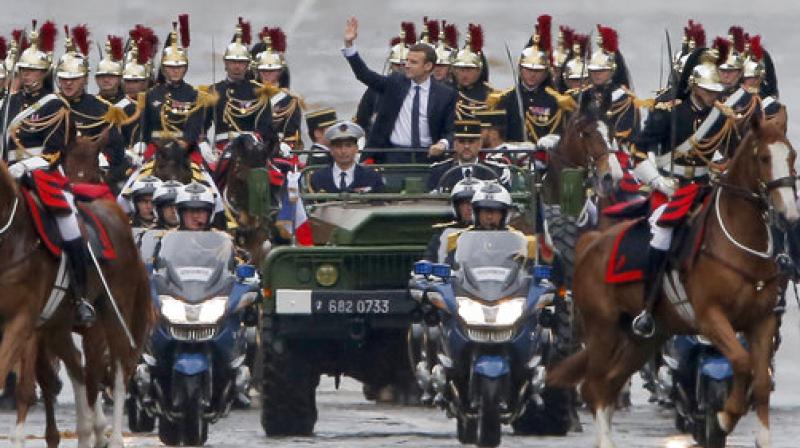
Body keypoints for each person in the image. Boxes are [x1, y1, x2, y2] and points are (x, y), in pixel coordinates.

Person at [629, 49, 736, 337]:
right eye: (707, 90)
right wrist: (658, 181)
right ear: (694, 87)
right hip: (671, 190)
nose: (712, 96)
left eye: (716, 91)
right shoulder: (669, 112)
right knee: (661, 234)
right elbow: (637, 152)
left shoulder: (722, 118)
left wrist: (724, 171)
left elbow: (734, 155)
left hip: (705, 189)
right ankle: (648, 306)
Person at [3, 23, 95, 325]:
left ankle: (80, 296)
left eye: (33, 71)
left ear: (44, 74)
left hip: (41, 174)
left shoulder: (56, 105)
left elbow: (55, 151)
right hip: (5, 174)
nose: (27, 75)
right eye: (24, 70)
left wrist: (24, 166)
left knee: (69, 224)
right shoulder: (8, 104)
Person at [342, 16, 456, 164]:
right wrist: (349, 45)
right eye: (407, 61)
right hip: (394, 155)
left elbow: (451, 130)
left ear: (428, 66)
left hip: (429, 157)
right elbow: (365, 75)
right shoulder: (395, 83)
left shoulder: (445, 94)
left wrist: (443, 144)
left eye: (413, 62)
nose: (407, 65)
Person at [55, 26, 127, 187]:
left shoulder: (103, 109)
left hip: (93, 173)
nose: (68, 83)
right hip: (56, 172)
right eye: (64, 78)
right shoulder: (50, 105)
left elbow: (116, 150)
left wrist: (103, 159)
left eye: (74, 78)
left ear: (85, 79)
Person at [492, 15, 576, 144]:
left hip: (543, 153)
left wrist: (553, 139)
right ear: (520, 69)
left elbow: (562, 132)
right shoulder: (506, 98)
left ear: (545, 73)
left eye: (537, 71)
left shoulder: (556, 100)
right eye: (528, 70)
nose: (532, 75)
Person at [142, 15, 211, 163]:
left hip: (185, 148)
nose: (175, 71)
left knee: (207, 174)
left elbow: (194, 126)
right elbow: (145, 127)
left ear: (185, 68)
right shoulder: (151, 94)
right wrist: (142, 144)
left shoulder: (194, 95)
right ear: (163, 68)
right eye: (171, 67)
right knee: (134, 174)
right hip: (156, 147)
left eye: (179, 67)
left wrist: (184, 143)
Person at [207, 19, 274, 157]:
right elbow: (201, 125)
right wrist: (203, 144)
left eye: (241, 62)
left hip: (250, 150)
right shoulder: (214, 91)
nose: (237, 66)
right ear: (225, 63)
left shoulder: (259, 92)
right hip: (221, 150)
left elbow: (265, 127)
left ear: (248, 64)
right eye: (233, 62)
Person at [579, 24, 642, 147]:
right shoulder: (585, 94)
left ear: (612, 71)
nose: (597, 75)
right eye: (594, 71)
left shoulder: (624, 99)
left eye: (602, 71)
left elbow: (625, 132)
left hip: (616, 147)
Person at [354, 24, 412, 137]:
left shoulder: (418, 88)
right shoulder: (375, 89)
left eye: (404, 65)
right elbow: (362, 118)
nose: (401, 68)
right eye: (397, 65)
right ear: (391, 65)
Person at [252, 26, 303, 149]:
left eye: (271, 71)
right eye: (264, 71)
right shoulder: (249, 96)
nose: (267, 74)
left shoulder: (290, 102)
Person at [427, 120, 510, 191]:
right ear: (455, 144)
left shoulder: (496, 172)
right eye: (462, 141)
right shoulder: (439, 172)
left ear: (480, 144)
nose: (466, 146)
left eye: (471, 141)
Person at [308, 121, 384, 193]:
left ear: (356, 148)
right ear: (331, 150)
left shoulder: (372, 176)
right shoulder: (318, 178)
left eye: (348, 145)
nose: (343, 151)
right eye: (338, 146)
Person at [423, 177, 483, 263]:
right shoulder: (443, 235)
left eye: (473, 203)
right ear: (456, 207)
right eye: (464, 203)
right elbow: (428, 261)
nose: (469, 208)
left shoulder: (495, 235)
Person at [451, 23, 494, 121]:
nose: (464, 75)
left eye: (469, 70)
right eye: (461, 70)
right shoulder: (446, 92)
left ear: (479, 71)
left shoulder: (490, 95)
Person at [95, 35, 126, 104]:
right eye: (102, 76)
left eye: (111, 76)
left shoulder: (129, 106)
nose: (106, 80)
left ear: (120, 78)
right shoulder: (90, 103)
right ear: (96, 79)